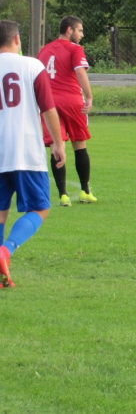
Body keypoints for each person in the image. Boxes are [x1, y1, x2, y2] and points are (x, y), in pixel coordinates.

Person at [0, 20, 67, 288]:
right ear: (17, 39)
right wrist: (59, 144)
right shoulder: (31, 65)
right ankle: (6, 251)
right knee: (41, 209)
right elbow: (48, 109)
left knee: (1, 213)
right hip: (26, 150)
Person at [37, 15, 96, 206]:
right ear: (69, 30)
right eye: (79, 30)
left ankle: (63, 195)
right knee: (80, 145)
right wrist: (89, 96)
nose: (82, 35)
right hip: (72, 102)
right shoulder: (75, 49)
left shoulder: (44, 50)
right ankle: (85, 191)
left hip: (49, 105)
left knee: (57, 145)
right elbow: (80, 71)